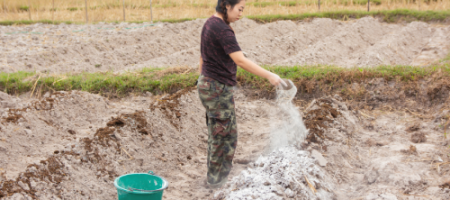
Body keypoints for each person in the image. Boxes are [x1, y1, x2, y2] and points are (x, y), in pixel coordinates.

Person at [197, 0, 285, 188]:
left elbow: (203, 56)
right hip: (216, 87)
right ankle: (217, 183)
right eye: (239, 9)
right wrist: (270, 75)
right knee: (226, 136)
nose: (241, 14)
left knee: (218, 133)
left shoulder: (210, 23)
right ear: (227, 5)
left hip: (209, 84)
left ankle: (214, 178)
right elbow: (240, 61)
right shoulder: (222, 29)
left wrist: (203, 79)